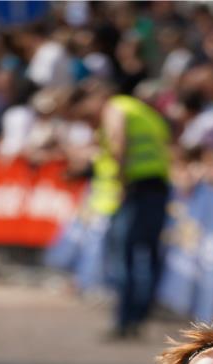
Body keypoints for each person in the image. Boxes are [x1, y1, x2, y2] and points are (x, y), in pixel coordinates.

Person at [70, 80, 171, 339]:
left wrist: (121, 181)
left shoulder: (115, 108)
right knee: (147, 254)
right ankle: (137, 317)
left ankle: (124, 320)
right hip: (157, 187)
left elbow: (118, 141)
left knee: (123, 257)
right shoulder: (143, 111)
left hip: (135, 189)